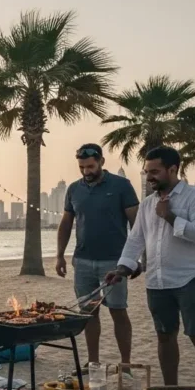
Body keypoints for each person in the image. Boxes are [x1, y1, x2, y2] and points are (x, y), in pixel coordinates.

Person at [105, 146, 195, 386]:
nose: (149, 177)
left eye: (155, 171)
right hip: (157, 281)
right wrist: (122, 269)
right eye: (147, 172)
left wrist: (170, 217)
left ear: (173, 169)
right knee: (165, 336)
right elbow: (135, 240)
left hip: (191, 279)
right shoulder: (147, 204)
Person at [56, 143, 140, 373]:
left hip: (115, 261)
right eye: (82, 167)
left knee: (118, 311)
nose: (86, 171)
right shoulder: (74, 189)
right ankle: (93, 363)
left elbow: (137, 224)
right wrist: (60, 255)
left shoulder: (121, 186)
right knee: (88, 313)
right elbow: (66, 223)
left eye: (90, 166)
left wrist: (135, 258)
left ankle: (125, 365)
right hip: (82, 261)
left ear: (102, 161)